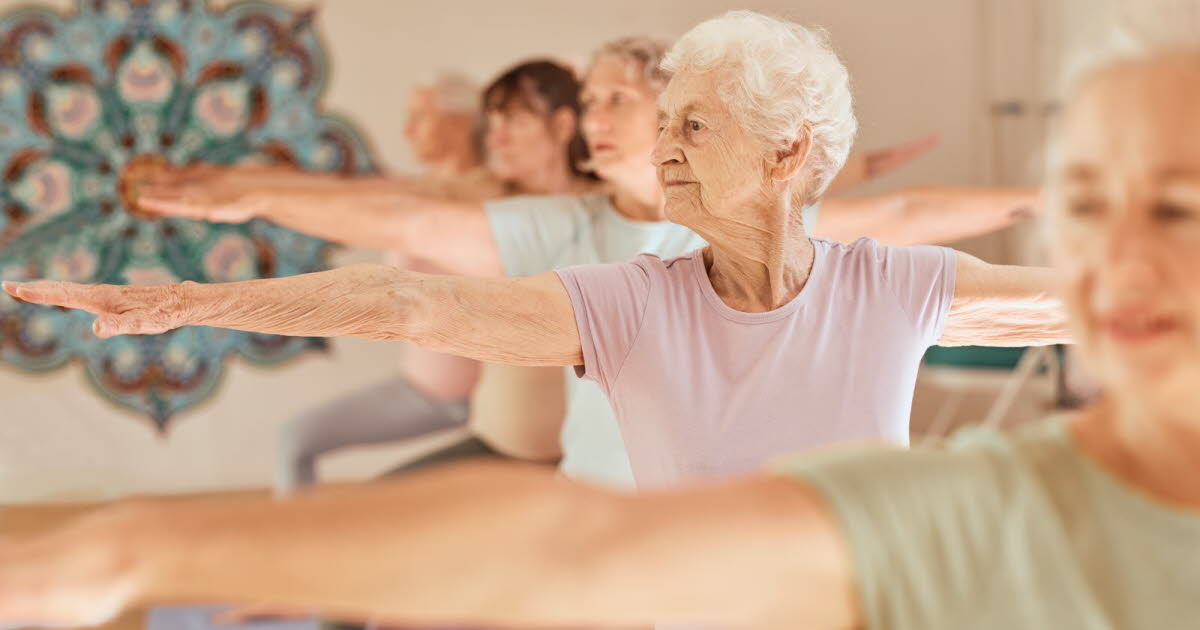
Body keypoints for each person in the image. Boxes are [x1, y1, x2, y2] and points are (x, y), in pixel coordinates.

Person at [16, 4, 1198, 627]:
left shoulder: (894, 286)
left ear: (789, 152)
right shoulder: (629, 305)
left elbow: (1070, 300)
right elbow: (410, 296)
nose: (662, 152)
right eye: (664, 119)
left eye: (695, 127)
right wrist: (187, 300)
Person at [133, 35, 1040, 487]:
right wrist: (233, 209)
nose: (602, 119)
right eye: (595, 103)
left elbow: (910, 214)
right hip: (599, 511)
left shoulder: (854, 273)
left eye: (621, 102)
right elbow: (407, 278)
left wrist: (1060, 206)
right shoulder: (595, 262)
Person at [270, 60, 597, 491]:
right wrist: (256, 194)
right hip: (498, 441)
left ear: (563, 124)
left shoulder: (602, 207)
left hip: (564, 462)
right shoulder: (486, 197)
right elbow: (379, 205)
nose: (496, 135)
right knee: (370, 508)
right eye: (494, 120)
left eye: (514, 120)